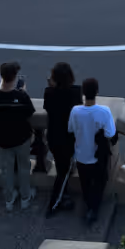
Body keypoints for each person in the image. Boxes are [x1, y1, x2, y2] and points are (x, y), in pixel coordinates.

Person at [0, 61, 37, 212]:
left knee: (6, 169)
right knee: (24, 167)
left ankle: (9, 198)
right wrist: (23, 92)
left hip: (2, 140)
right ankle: (25, 197)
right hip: (22, 139)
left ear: (1, 76)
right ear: (15, 77)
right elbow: (29, 113)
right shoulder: (21, 96)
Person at [68, 78, 117, 224]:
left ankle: (89, 205)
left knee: (85, 183)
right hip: (98, 156)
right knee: (100, 182)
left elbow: (70, 129)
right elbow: (110, 133)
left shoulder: (75, 111)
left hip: (81, 155)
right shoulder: (104, 111)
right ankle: (93, 209)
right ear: (97, 92)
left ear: (83, 92)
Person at [43, 62, 83, 217]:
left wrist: (51, 86)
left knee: (61, 168)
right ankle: (55, 202)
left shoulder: (49, 92)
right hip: (69, 138)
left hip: (54, 136)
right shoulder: (75, 92)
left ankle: (62, 196)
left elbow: (48, 107)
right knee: (63, 171)